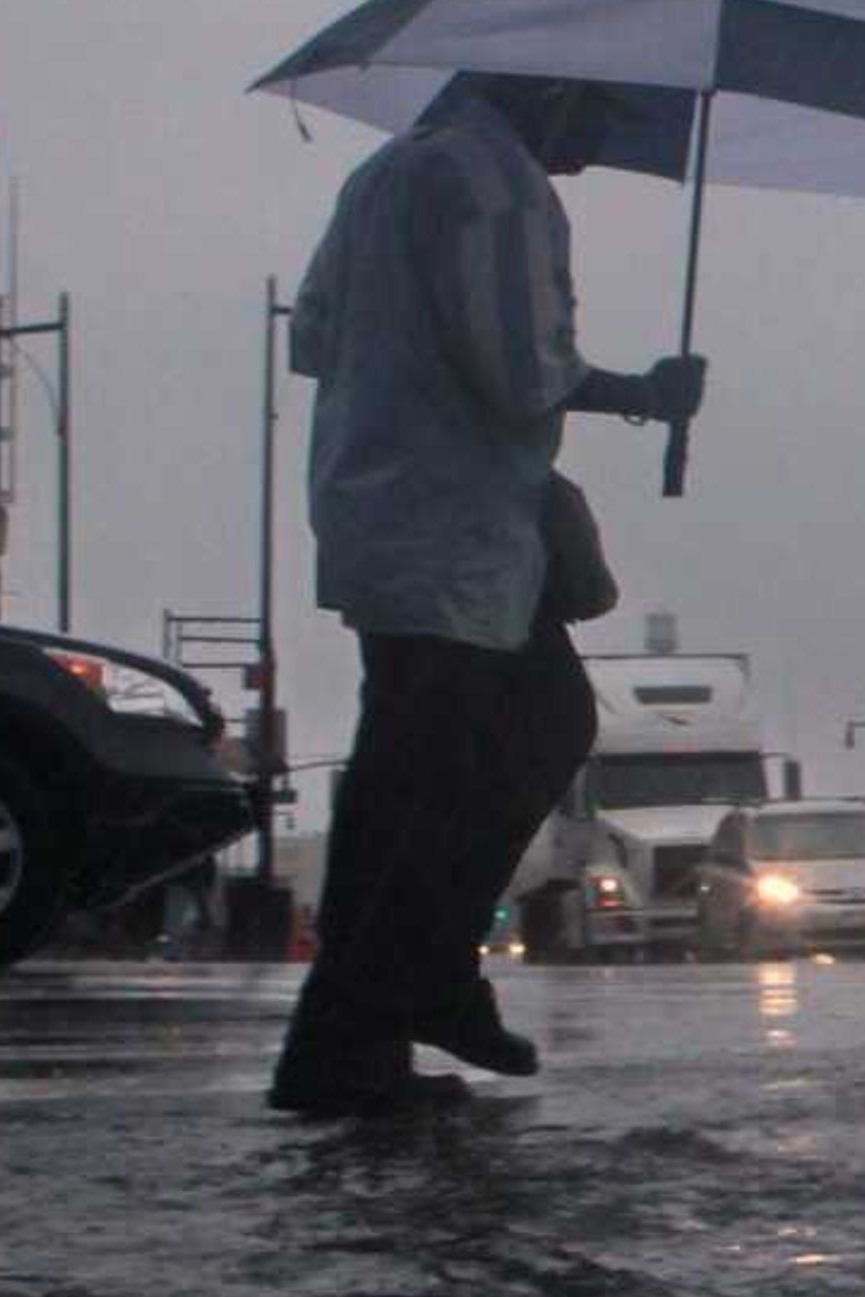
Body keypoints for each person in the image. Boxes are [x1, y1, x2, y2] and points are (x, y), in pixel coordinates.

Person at [267, 73, 706, 1117]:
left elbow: (314, 335)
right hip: (458, 525)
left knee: (432, 762)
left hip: (378, 505)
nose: (597, 140)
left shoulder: (383, 175)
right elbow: (524, 373)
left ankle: (405, 997)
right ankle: (371, 1023)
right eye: (596, 111)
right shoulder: (499, 187)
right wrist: (646, 394)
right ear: (546, 91)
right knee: (459, 765)